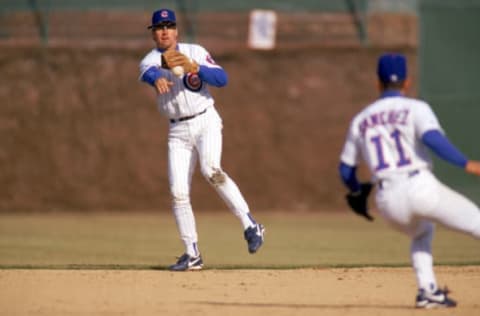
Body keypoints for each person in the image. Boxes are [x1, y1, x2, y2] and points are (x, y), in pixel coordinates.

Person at [338, 53, 480, 308]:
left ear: (377, 83)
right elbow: (433, 139)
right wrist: (466, 163)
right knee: (476, 222)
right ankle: (427, 292)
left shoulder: (361, 120)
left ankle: (427, 291)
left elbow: (345, 169)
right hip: (419, 186)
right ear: (407, 82)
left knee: (422, 232)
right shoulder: (416, 108)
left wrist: (356, 190)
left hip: (388, 201)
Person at [138, 8, 265, 271]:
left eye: (169, 25)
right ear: (153, 34)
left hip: (205, 120)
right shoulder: (150, 59)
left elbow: (222, 79)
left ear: (176, 30)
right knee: (178, 193)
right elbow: (149, 73)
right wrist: (157, 80)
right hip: (177, 132)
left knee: (211, 171)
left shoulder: (195, 50)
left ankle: (250, 225)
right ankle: (192, 253)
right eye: (159, 27)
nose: (164, 31)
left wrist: (194, 67)